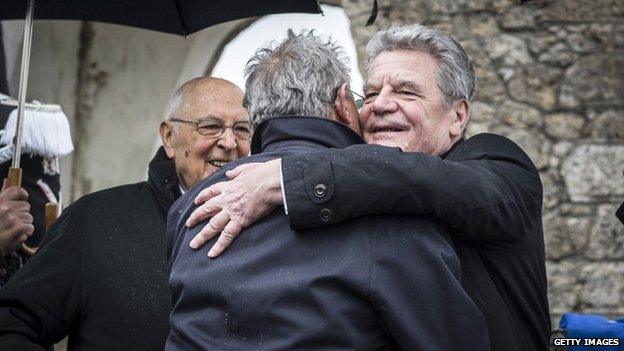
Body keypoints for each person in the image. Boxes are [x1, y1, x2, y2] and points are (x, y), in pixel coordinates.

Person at [187, 24, 550, 351]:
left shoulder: (499, 162)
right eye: (371, 93)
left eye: (407, 92)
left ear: (457, 116)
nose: (381, 105)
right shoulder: (360, 191)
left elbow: (429, 181)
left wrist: (286, 177)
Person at [0, 77, 251, 350]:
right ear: (169, 137)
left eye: (241, 129)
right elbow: (12, 324)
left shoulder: (272, 232)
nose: (229, 142)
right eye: (211, 126)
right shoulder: (93, 223)